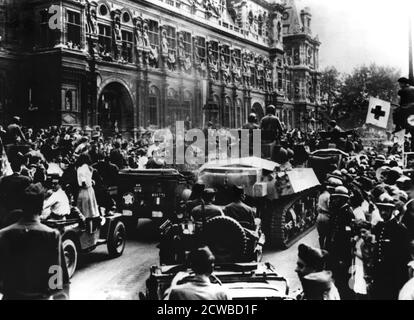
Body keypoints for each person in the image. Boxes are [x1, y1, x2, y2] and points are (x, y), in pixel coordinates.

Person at [0, 183, 69, 299]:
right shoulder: (52, 236)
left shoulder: (3, 235)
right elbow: (56, 283)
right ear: (41, 208)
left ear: (22, 207)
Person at [369, 202, 410, 300]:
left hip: (392, 275)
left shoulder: (399, 228)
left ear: (392, 210)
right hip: (379, 272)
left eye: (386, 210)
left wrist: (400, 280)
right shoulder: (379, 226)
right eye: (381, 210)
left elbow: (403, 257)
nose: (383, 212)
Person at [326, 186, 354, 300]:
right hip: (336, 251)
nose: (334, 200)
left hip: (342, 254)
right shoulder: (340, 210)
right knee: (337, 277)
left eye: (337, 198)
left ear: (343, 199)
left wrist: (342, 257)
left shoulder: (347, 213)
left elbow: (346, 238)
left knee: (342, 279)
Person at [0, 160, 32, 227]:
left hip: (8, 207)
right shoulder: (26, 179)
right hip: (22, 207)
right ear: (20, 168)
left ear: (11, 167)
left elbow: (2, 194)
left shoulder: (5, 179)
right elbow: (29, 195)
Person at [75, 154, 100, 219]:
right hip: (90, 190)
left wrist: (84, 184)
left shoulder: (80, 168)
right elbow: (89, 178)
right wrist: (90, 182)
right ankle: (91, 228)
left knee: (83, 212)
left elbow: (83, 181)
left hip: (84, 191)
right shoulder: (90, 168)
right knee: (90, 214)